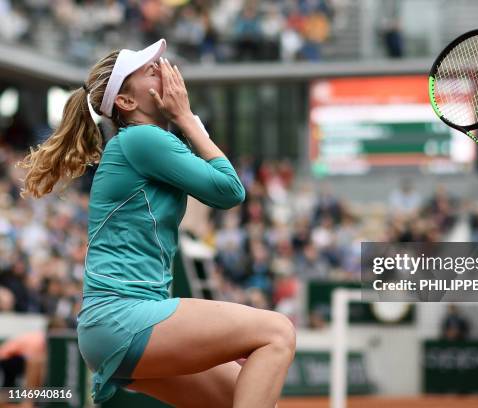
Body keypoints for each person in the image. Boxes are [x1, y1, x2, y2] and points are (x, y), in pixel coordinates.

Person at [16, 39, 295, 407]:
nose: (163, 70)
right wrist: (186, 117)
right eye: (149, 70)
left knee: (250, 395)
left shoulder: (145, 141)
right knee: (278, 332)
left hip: (117, 324)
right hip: (123, 318)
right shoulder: (143, 138)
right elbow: (230, 191)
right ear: (126, 103)